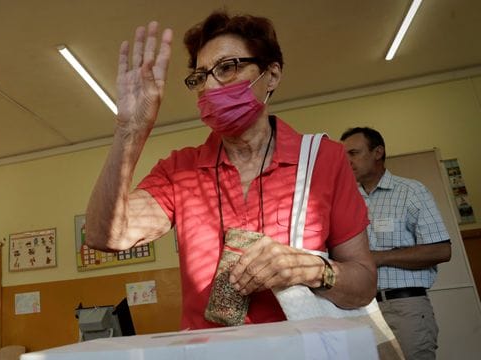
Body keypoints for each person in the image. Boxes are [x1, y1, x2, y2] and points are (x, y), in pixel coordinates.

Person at [85, 10, 376, 330]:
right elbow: (105, 235)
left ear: (272, 74)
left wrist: (309, 269)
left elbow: (363, 286)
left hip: (301, 346)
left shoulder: (323, 159)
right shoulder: (180, 170)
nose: (210, 86)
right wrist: (131, 129)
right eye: (200, 76)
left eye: (227, 67)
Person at [341, 127, 452, 359]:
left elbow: (441, 250)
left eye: (353, 153)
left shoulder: (411, 191)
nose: (347, 161)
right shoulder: (345, 198)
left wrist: (378, 257)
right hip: (358, 310)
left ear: (377, 152)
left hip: (405, 308)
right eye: (344, 156)